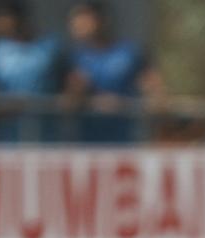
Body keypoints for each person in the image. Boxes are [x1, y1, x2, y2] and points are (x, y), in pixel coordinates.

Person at [63, 0, 164, 143]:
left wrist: (132, 106)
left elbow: (154, 92)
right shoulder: (74, 58)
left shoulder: (130, 52)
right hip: (88, 141)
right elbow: (68, 102)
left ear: (102, 20)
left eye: (84, 19)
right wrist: (79, 95)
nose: (77, 25)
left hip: (127, 140)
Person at [0, 0, 66, 142]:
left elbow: (67, 79)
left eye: (1, 18)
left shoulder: (50, 46)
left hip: (46, 130)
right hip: (9, 132)